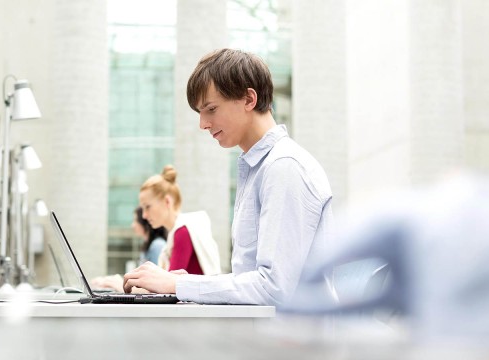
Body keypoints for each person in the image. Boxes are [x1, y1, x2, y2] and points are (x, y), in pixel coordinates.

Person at [123, 48, 334, 308]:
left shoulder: (283, 167)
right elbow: (253, 280)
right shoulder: (260, 168)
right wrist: (187, 283)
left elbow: (275, 289)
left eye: (211, 109)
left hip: (296, 344)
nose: (203, 124)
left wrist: (178, 285)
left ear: (248, 99)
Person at [139, 165, 221, 276]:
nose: (144, 215)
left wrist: (123, 285)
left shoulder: (182, 232)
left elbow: (166, 285)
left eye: (147, 206)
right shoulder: (184, 230)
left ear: (167, 201)